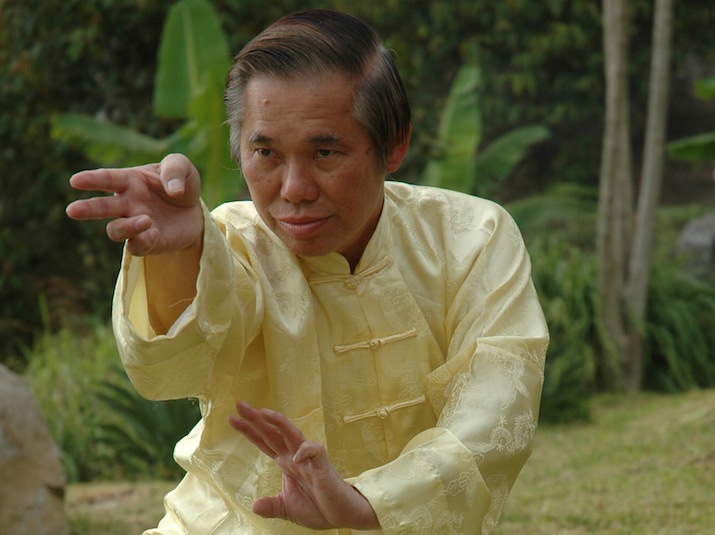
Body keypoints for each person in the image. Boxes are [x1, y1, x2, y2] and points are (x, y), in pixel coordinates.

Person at [66, 9, 548, 534]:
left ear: (395, 145)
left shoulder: (471, 236)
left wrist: (369, 504)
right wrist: (176, 254)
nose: (294, 189)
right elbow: (170, 372)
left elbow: (497, 405)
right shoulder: (231, 245)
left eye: (325, 151)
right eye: (266, 153)